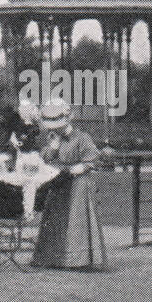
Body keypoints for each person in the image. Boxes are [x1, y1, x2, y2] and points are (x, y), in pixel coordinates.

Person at [31, 98, 108, 270]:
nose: (54, 127)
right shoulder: (53, 138)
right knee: (56, 219)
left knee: (76, 220)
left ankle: (79, 260)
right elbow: (44, 158)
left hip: (78, 183)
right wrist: (53, 147)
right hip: (59, 182)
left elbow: (93, 159)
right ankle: (53, 259)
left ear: (67, 118)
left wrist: (76, 169)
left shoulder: (82, 138)